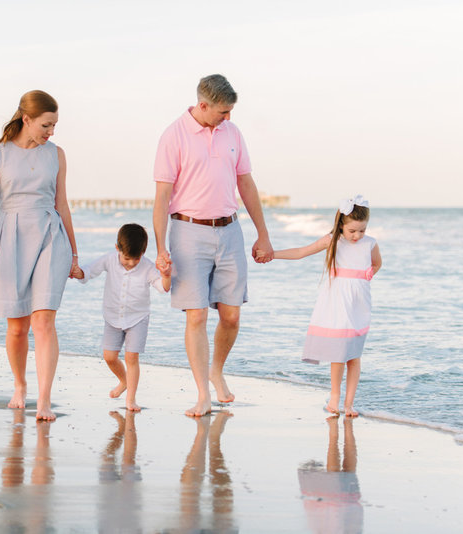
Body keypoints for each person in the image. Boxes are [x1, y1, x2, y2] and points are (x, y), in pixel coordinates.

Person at [153, 73, 273, 417]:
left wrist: (262, 234)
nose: (228, 118)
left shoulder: (232, 133)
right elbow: (162, 197)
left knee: (231, 316)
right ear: (203, 105)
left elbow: (246, 184)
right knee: (196, 316)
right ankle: (203, 394)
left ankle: (216, 369)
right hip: (188, 232)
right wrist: (160, 248)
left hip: (230, 230)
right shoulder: (172, 136)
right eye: (223, 111)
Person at [0, 90, 79, 421]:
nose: (51, 131)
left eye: (55, 125)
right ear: (27, 119)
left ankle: (44, 401)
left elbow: (62, 204)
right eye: (46, 124)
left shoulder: (56, 154)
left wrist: (74, 252)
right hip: (10, 236)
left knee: (44, 320)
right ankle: (20, 385)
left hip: (49, 233)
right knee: (17, 326)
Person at [273, 195, 382, 418]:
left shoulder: (369, 243)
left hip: (359, 304)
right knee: (339, 352)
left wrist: (367, 275)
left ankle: (349, 404)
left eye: (362, 230)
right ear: (341, 224)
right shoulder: (333, 240)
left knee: (354, 355)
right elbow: (301, 252)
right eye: (352, 231)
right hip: (337, 302)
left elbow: (377, 263)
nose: (357, 236)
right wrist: (272, 255)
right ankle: (334, 397)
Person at [72, 223, 172, 412]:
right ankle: (123, 381)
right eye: (127, 258)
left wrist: (166, 275)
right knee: (109, 357)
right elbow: (90, 270)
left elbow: (163, 288)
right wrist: (80, 272)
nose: (131, 262)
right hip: (112, 317)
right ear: (117, 248)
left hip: (138, 318)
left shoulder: (148, 267)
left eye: (136, 258)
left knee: (131, 357)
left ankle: (131, 399)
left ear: (143, 252)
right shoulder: (110, 260)